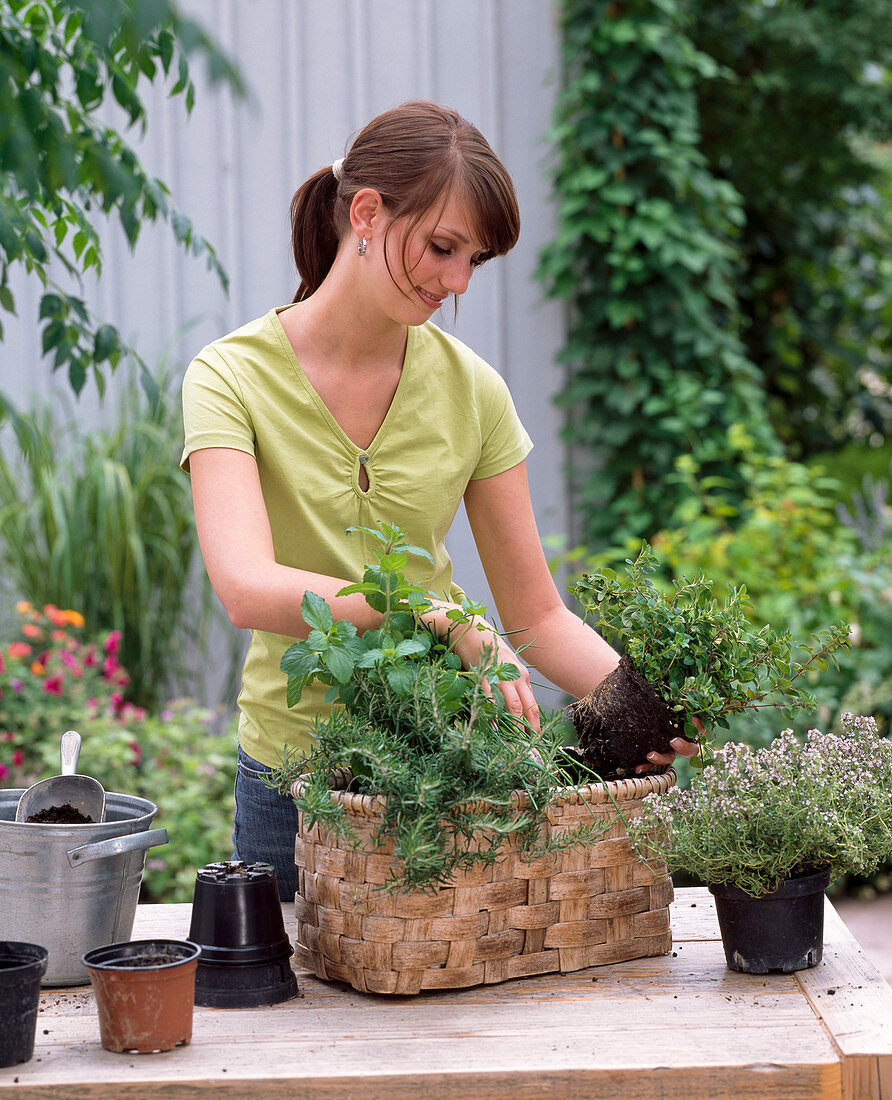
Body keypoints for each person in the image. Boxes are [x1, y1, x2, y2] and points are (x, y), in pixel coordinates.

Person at [181, 100, 697, 899]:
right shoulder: (230, 378)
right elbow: (246, 586)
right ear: (366, 213)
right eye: (442, 248)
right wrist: (438, 613)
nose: (455, 283)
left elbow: (536, 616)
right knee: (290, 1022)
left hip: (441, 778)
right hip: (291, 784)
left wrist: (643, 707)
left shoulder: (473, 391)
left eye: (475, 261)